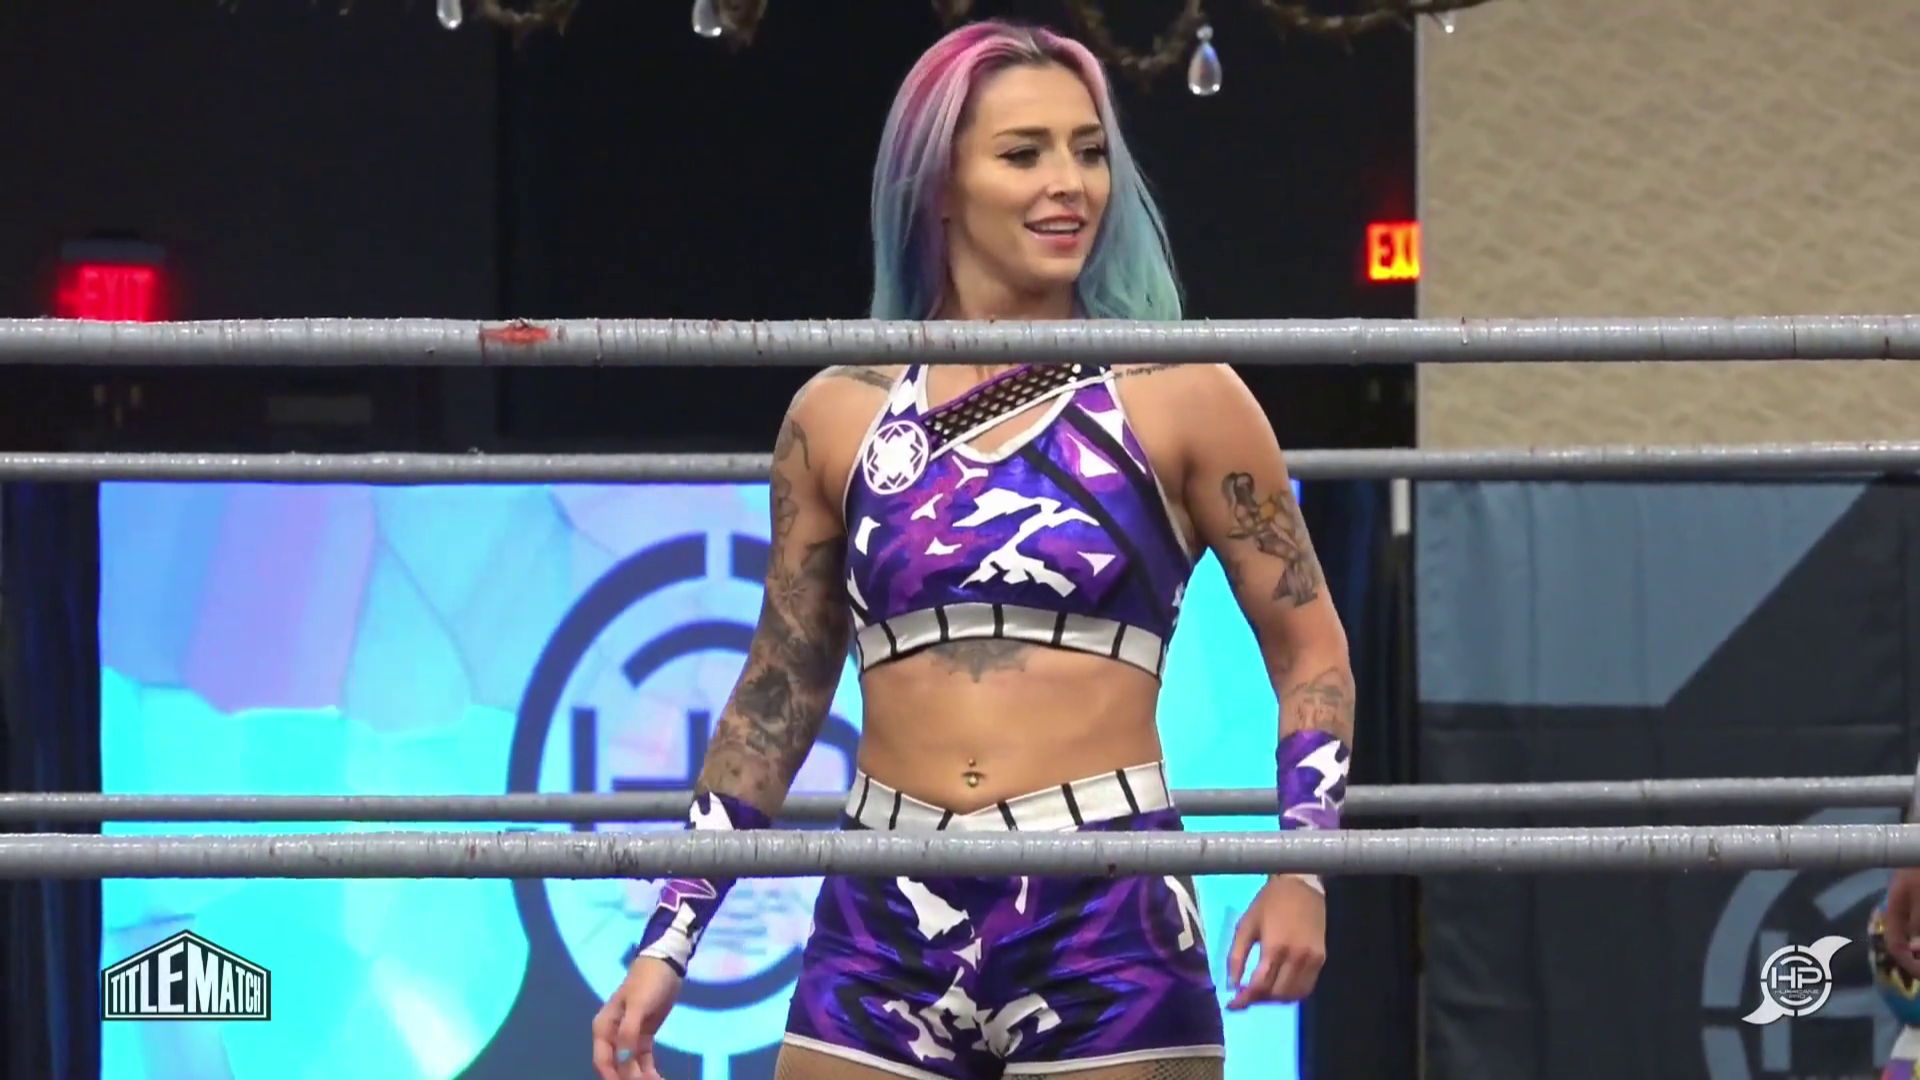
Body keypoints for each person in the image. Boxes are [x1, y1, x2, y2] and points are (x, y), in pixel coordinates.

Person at [591, 18, 1355, 1080]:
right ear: (939, 184)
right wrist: (672, 936)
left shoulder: (1184, 394)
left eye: (1089, 151)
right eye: (1023, 153)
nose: (1069, 185)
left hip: (1106, 913)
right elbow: (779, 687)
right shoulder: (837, 413)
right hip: (881, 911)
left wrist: (1303, 866)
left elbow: (1310, 647)